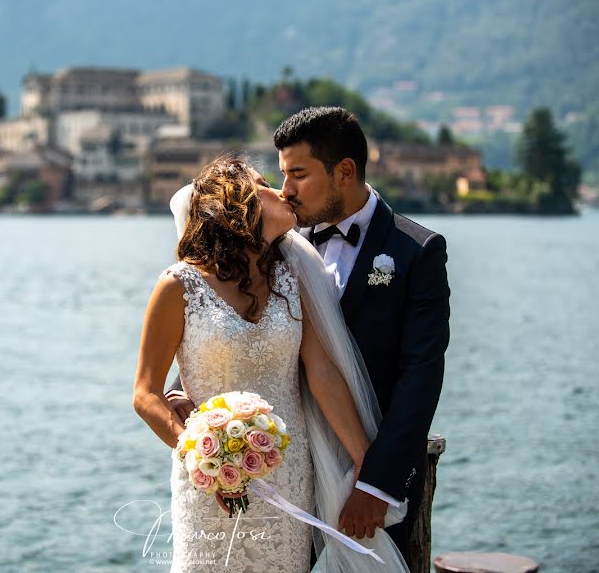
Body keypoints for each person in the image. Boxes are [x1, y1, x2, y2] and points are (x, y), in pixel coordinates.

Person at [166, 107, 450, 562]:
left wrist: (376, 482)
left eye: (298, 174)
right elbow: (231, 323)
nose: (285, 190)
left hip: (363, 481)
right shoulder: (277, 241)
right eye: (282, 175)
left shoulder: (416, 252)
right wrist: (185, 395)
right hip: (276, 468)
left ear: (344, 171)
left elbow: (421, 378)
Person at [134, 156, 409, 572]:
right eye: (264, 183)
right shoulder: (178, 285)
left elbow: (322, 373)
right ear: (233, 200)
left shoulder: (288, 279)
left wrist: (363, 461)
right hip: (212, 483)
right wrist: (199, 458)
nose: (282, 191)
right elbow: (145, 394)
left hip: (288, 473)